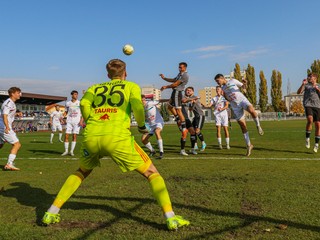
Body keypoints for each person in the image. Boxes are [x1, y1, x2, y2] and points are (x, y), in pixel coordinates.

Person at [41, 59, 190, 230]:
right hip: (117, 137)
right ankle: (170, 217)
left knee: (81, 171)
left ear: (107, 75)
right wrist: (141, 126)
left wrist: (91, 120)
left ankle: (51, 212)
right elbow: (137, 106)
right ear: (125, 74)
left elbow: (83, 103)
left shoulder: (94, 88)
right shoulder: (131, 86)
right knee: (152, 173)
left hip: (92, 136)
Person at [214, 74, 264, 156]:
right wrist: (224, 95)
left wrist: (245, 83)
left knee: (252, 110)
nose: (217, 82)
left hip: (242, 101)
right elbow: (228, 99)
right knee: (243, 126)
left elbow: (244, 89)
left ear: (222, 78)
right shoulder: (223, 89)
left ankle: (258, 126)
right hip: (235, 107)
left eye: (217, 80)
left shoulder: (232, 81)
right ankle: (249, 145)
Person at [160, 62, 189, 134]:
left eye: (181, 67)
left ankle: (184, 128)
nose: (179, 68)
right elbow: (173, 80)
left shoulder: (185, 75)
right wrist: (164, 78)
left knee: (178, 110)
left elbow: (175, 84)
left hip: (177, 93)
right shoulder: (180, 74)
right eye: (179, 67)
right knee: (169, 106)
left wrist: (166, 87)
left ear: (185, 68)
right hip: (174, 92)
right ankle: (178, 119)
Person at [0, 87, 23, 170]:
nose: (20, 94)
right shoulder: (8, 103)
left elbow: (7, 114)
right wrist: (7, 127)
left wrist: (16, 114)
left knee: (1, 144)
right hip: (3, 127)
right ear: (12, 94)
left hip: (1, 126)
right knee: (17, 144)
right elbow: (4, 115)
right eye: (18, 93)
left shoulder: (11, 103)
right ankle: (9, 164)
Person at [297, 73, 320, 152]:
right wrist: (302, 85)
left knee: (318, 125)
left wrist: (317, 89)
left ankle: (316, 144)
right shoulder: (306, 85)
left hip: (317, 106)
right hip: (308, 105)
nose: (309, 78)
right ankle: (307, 138)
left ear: (315, 78)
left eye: (311, 77)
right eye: (309, 77)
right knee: (310, 120)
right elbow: (298, 92)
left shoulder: (319, 85)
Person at [183, 87, 207, 151]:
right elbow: (190, 109)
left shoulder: (194, 97)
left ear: (193, 92)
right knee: (192, 132)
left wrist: (192, 101)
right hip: (195, 117)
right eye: (187, 90)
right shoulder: (190, 99)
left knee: (197, 131)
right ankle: (195, 146)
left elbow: (195, 100)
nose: (188, 91)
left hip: (200, 116)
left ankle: (203, 143)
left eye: (190, 90)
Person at [141, 95, 165, 159]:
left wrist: (170, 100)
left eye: (142, 100)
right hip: (150, 125)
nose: (141, 101)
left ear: (144, 99)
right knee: (143, 140)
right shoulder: (142, 107)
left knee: (157, 132)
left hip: (158, 122)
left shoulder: (150, 103)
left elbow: (159, 101)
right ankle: (152, 151)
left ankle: (161, 152)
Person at [61, 90, 83, 156]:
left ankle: (71, 151)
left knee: (74, 135)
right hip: (69, 121)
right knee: (66, 135)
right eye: (75, 94)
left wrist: (81, 120)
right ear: (72, 95)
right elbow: (66, 112)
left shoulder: (80, 103)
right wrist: (63, 117)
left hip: (77, 122)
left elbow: (83, 113)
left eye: (77, 94)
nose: (76, 95)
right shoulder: (68, 103)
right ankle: (66, 151)